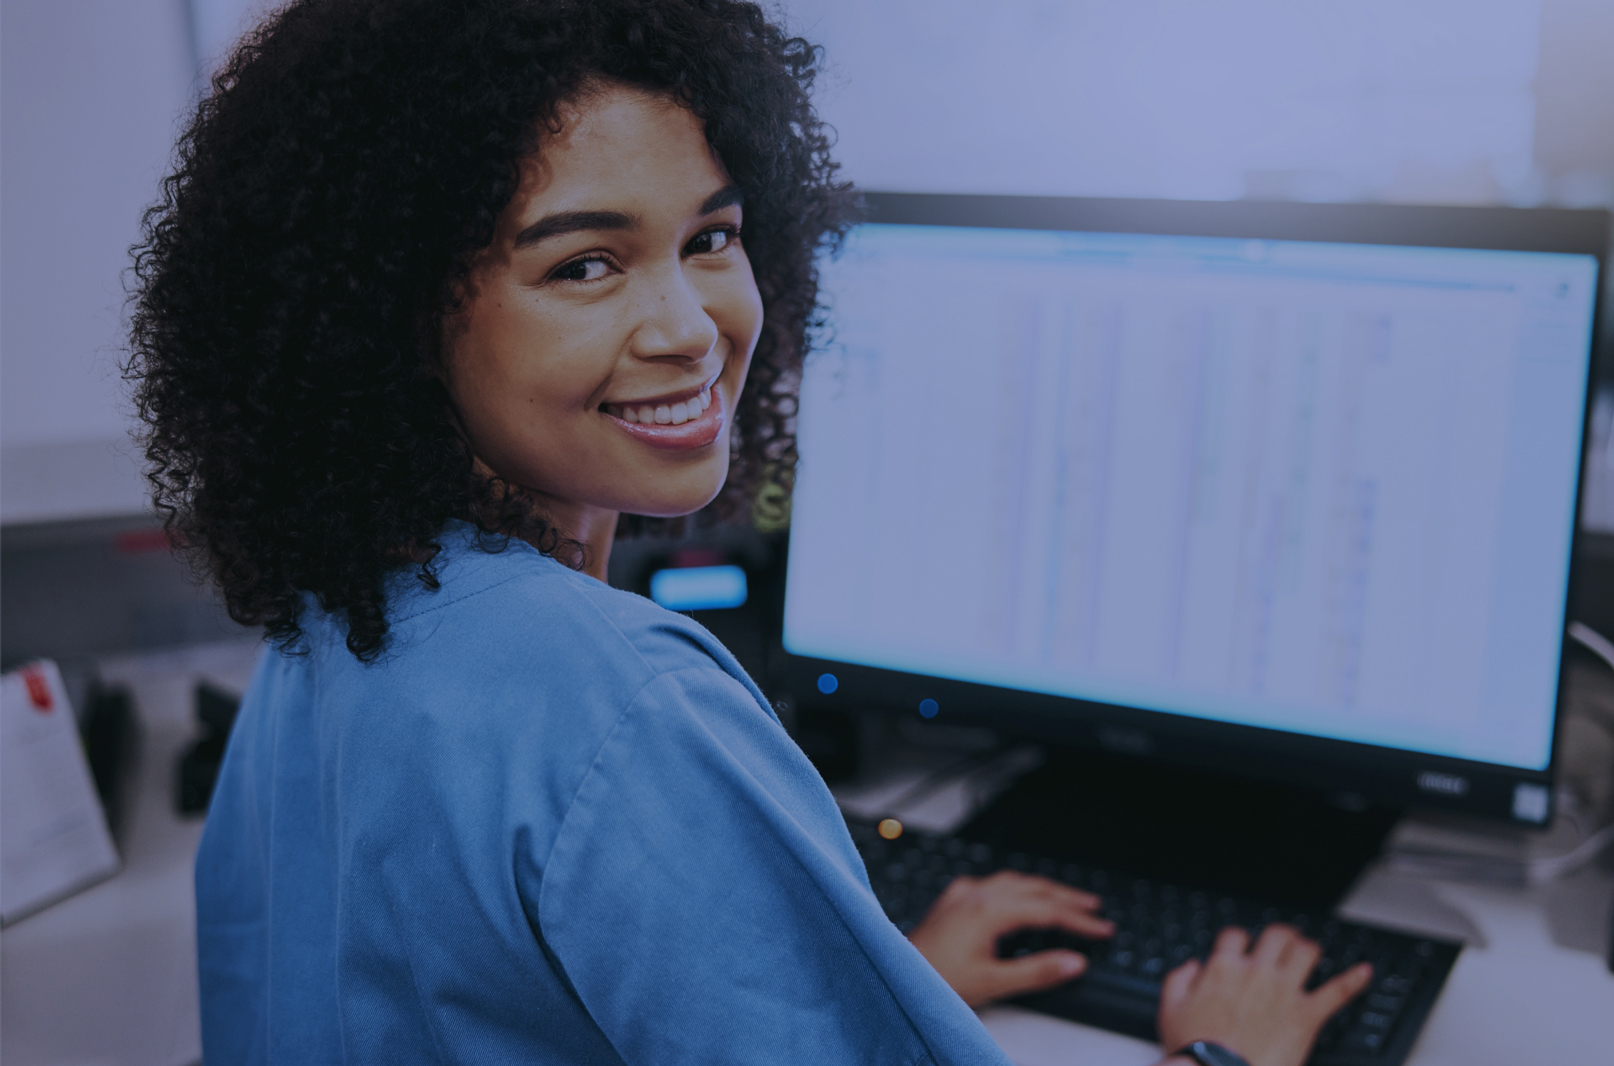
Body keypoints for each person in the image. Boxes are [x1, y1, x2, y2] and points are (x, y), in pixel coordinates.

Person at [126, 1, 1372, 1063]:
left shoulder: (329, 626)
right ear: (392, 316)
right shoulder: (626, 707)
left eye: (710, 238)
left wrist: (855, 976)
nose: (690, 325)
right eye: (584, 266)